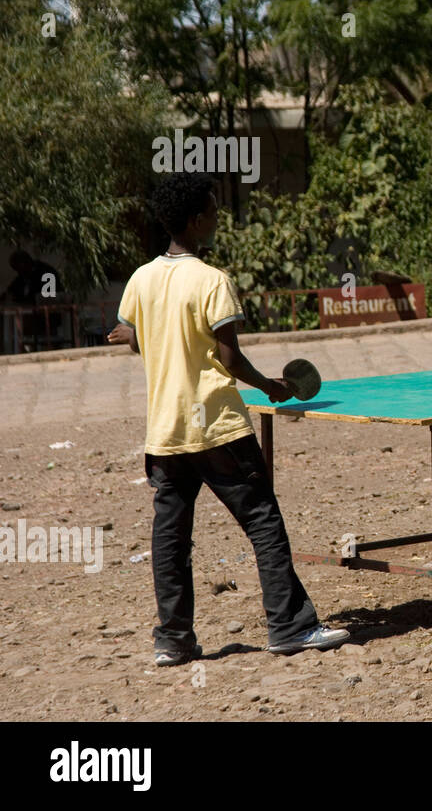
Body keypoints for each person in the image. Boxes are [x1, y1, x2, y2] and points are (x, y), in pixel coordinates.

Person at [108, 172, 349, 665]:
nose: (218, 218)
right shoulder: (212, 280)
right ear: (196, 221)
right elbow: (229, 357)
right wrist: (270, 387)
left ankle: (173, 641)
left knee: (170, 540)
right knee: (263, 522)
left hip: (165, 431)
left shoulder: (141, 278)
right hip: (217, 426)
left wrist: (132, 335)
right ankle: (291, 628)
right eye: (214, 212)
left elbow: (134, 335)